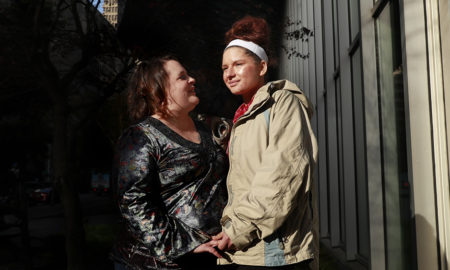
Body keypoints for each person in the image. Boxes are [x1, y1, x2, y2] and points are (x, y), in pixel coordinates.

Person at [213, 16, 319, 270]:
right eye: (225, 67)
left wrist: (238, 229)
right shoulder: (242, 116)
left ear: (262, 67)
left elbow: (282, 175)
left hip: (275, 254)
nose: (229, 73)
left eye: (238, 64)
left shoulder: (282, 102)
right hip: (243, 250)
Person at [110, 55, 229, 270]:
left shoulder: (207, 129)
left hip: (211, 257)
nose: (192, 79)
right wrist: (184, 243)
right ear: (159, 90)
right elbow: (133, 203)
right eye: (182, 77)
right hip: (155, 264)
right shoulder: (140, 137)